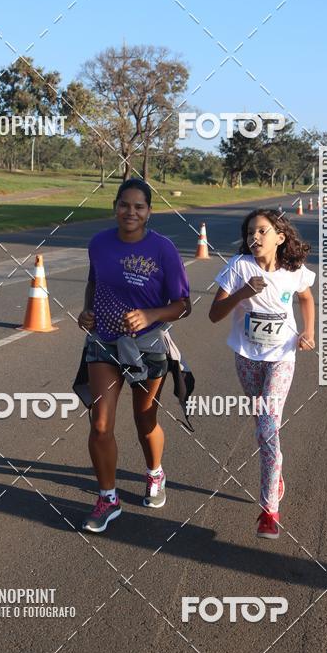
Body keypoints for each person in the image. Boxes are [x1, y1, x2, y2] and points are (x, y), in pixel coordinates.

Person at [77, 179, 192, 533]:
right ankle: (108, 499)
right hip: (105, 343)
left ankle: (155, 473)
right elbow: (94, 282)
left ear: (149, 212)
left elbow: (183, 306)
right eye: (124, 205)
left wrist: (151, 315)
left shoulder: (163, 249)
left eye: (139, 206)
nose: (131, 212)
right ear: (115, 206)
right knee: (100, 423)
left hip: (147, 347)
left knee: (145, 421)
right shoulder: (99, 243)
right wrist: (86, 312)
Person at [208, 209, 315, 540]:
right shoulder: (239, 267)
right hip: (247, 358)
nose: (254, 238)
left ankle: (269, 510)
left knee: (267, 429)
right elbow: (214, 314)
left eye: (262, 231)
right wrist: (243, 294)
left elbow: (307, 299)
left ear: (279, 237)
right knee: (263, 425)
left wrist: (307, 331)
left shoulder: (293, 271)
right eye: (249, 232)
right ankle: (276, 474)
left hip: (282, 357)